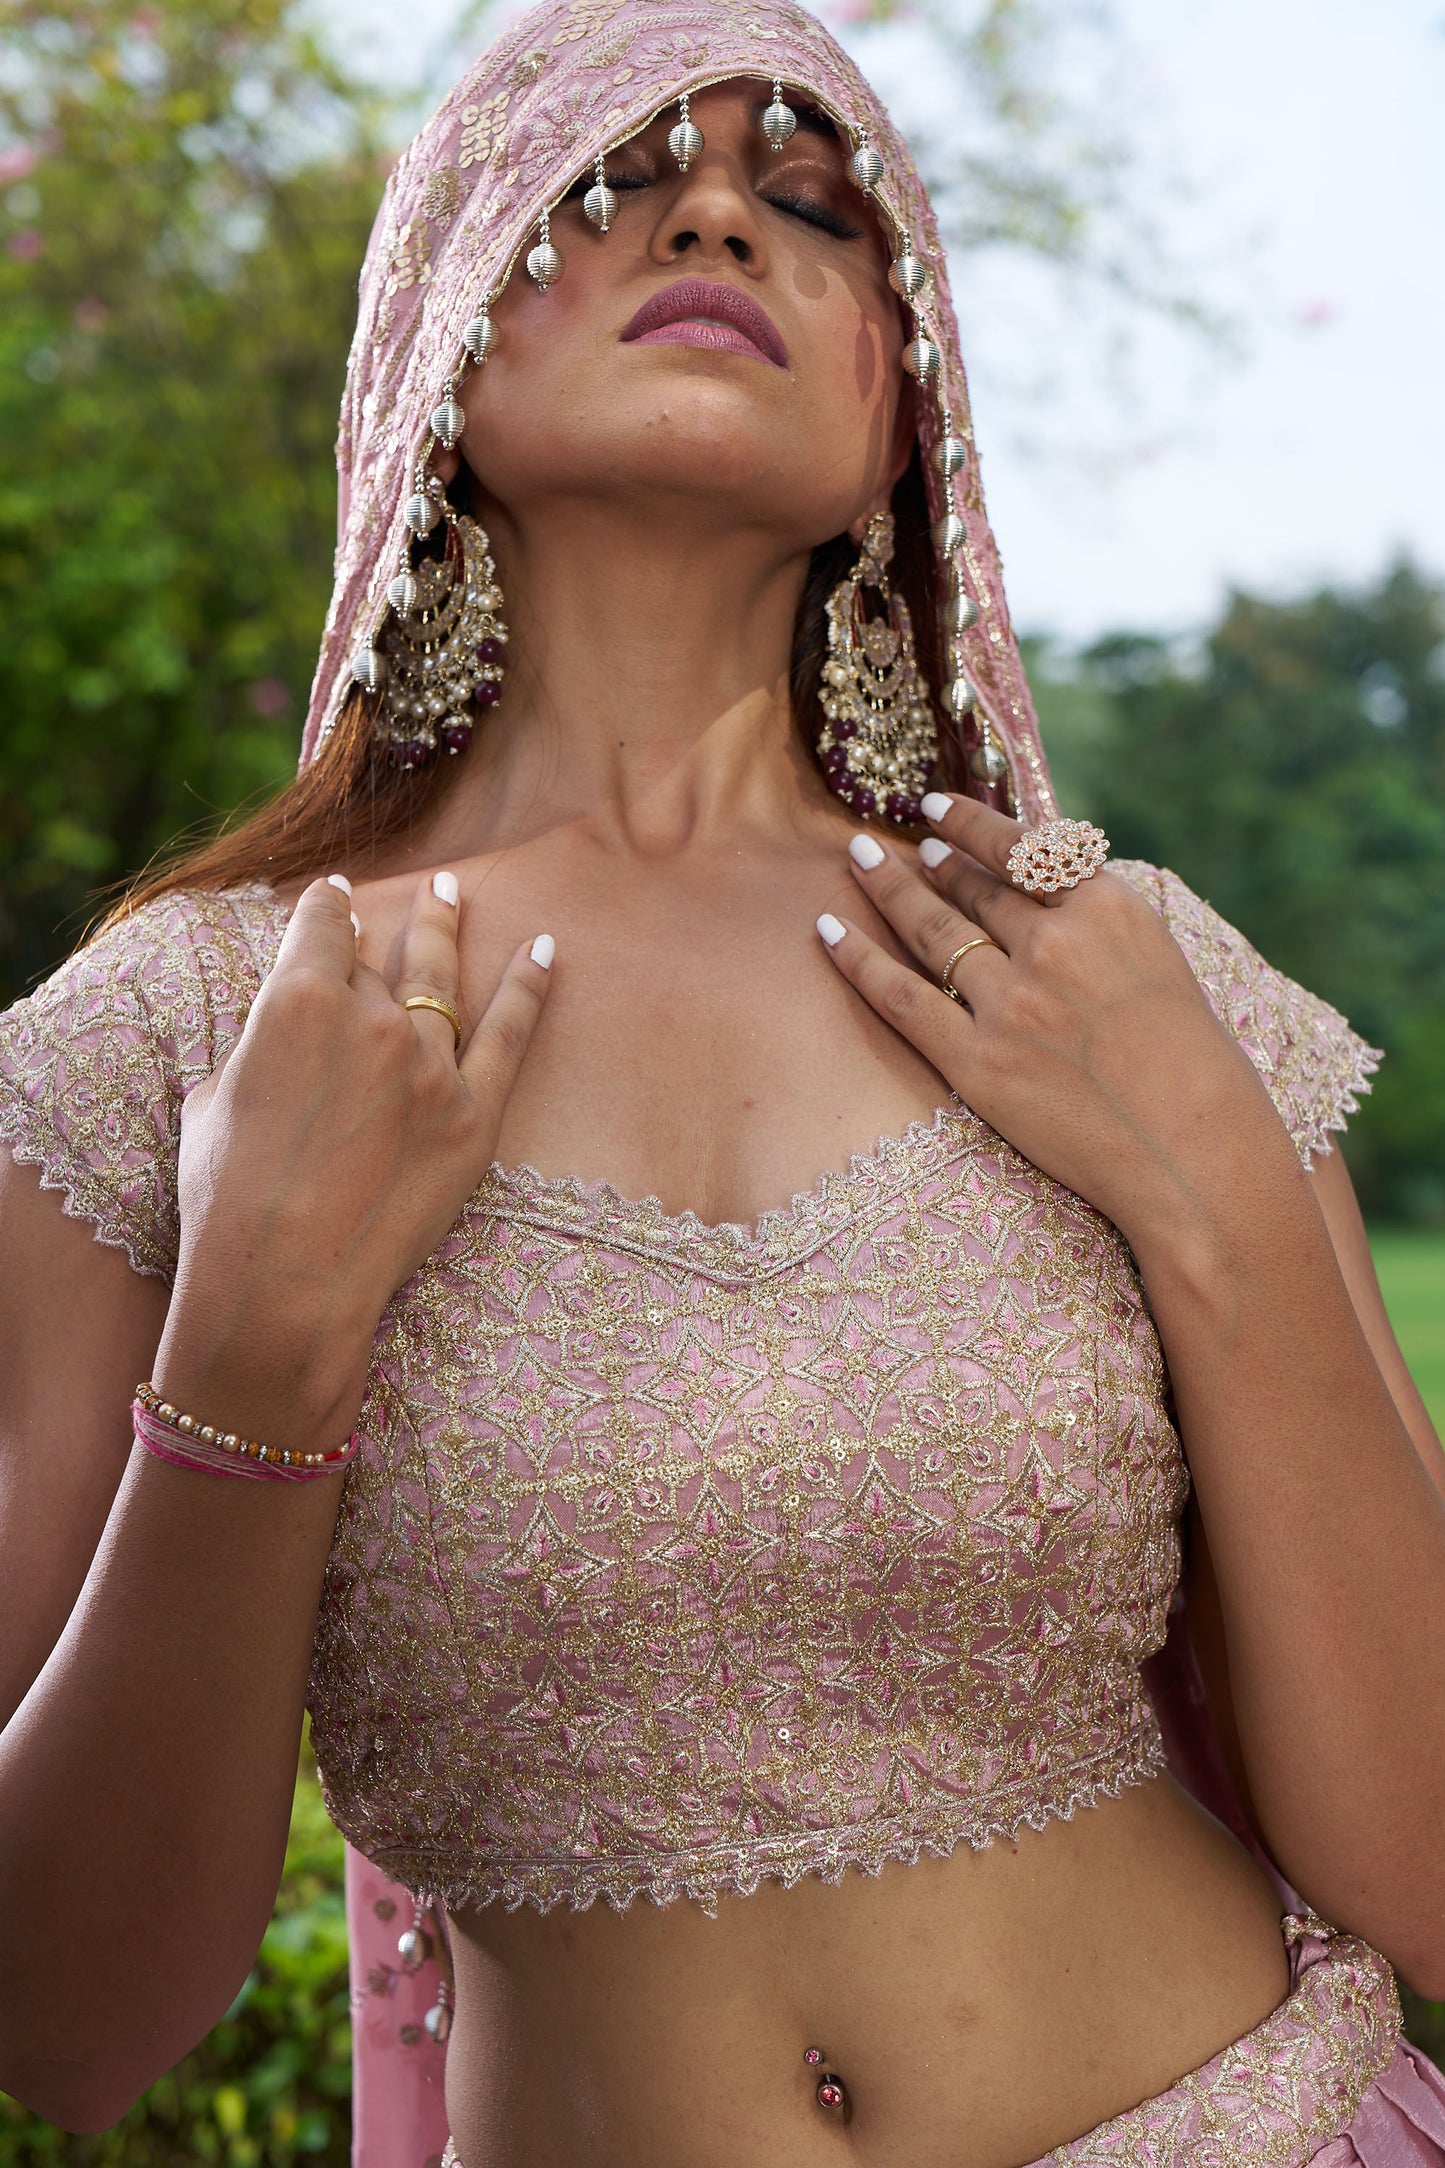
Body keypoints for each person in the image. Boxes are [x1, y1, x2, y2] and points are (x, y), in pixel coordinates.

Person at [1, 2, 1444, 2164]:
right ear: (438, 352)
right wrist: (255, 1359)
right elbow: (64, 2027)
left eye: (814, 202)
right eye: (612, 177)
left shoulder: (1105, 970)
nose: (712, 211)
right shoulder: (177, 1041)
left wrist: (1223, 1186)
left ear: (900, 416)